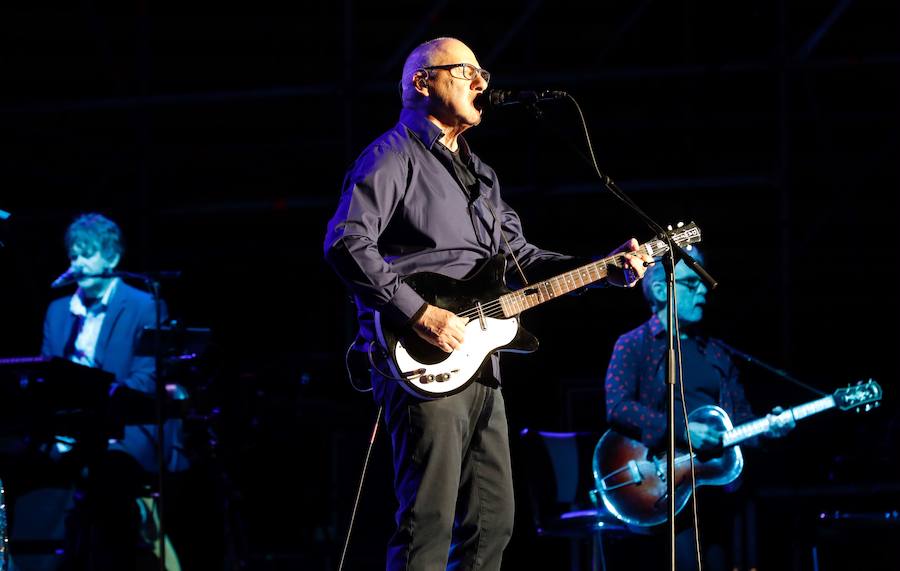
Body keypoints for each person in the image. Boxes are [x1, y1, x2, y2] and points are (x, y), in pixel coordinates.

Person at [324, 37, 651, 571]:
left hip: (483, 362)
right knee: (427, 522)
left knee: (493, 522)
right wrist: (418, 311)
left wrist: (601, 270)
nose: (482, 82)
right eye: (466, 71)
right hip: (422, 355)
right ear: (421, 82)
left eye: (483, 72)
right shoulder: (392, 154)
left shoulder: (484, 177)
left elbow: (522, 261)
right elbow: (346, 242)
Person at [603, 246, 794, 570]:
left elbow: (740, 421)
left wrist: (769, 428)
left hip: (712, 491)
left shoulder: (717, 353)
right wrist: (682, 430)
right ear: (662, 289)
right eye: (693, 284)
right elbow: (618, 407)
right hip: (656, 486)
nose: (704, 291)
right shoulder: (633, 344)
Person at [40, 212, 188, 570]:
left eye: (87, 254)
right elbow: (47, 378)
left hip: (128, 431)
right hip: (70, 434)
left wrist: (94, 405)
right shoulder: (59, 310)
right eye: (74, 255)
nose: (78, 263)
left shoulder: (143, 305)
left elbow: (145, 379)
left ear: (112, 258)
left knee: (107, 479)